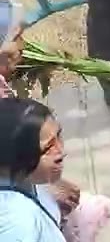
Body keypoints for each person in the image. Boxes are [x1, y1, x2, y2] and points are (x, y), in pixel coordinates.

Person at [0, 98, 68, 241]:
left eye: (59, 136)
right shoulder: (16, 223)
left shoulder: (22, 179)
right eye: (49, 147)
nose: (61, 152)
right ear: (17, 156)